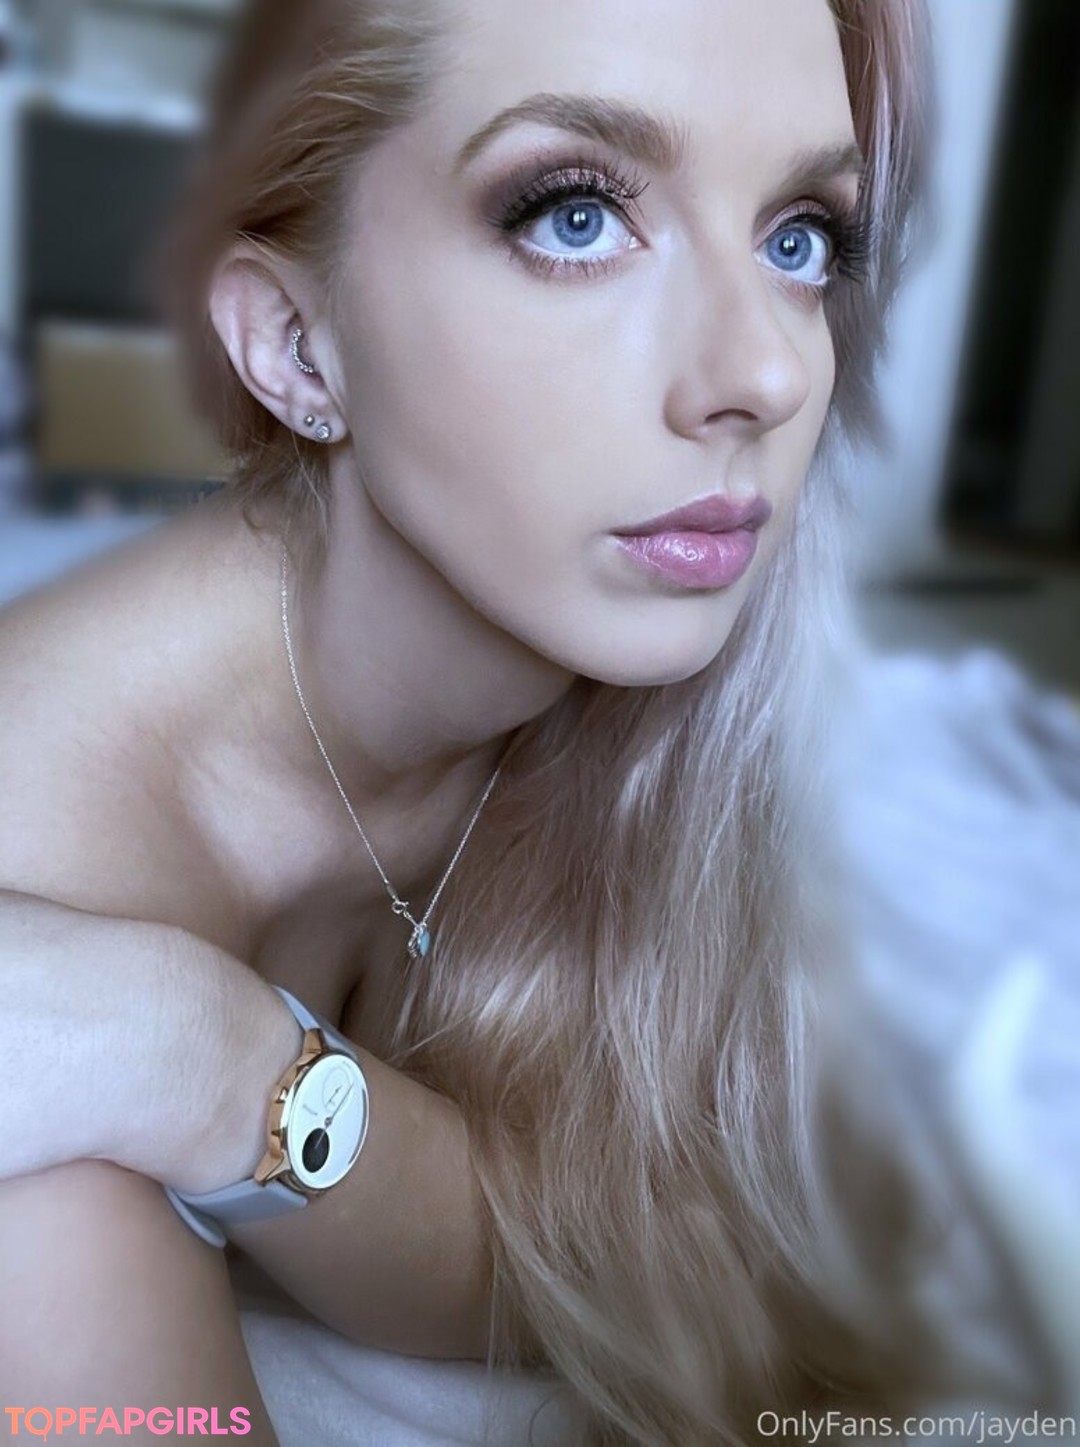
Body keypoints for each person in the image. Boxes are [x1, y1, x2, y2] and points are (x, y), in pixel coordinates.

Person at [0, 0, 987, 1442]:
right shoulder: (41, 929)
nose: (767, 376)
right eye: (576, 216)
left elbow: (632, 1259)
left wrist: (222, 1065)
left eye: (799, 239)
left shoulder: (664, 711)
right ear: (297, 347)